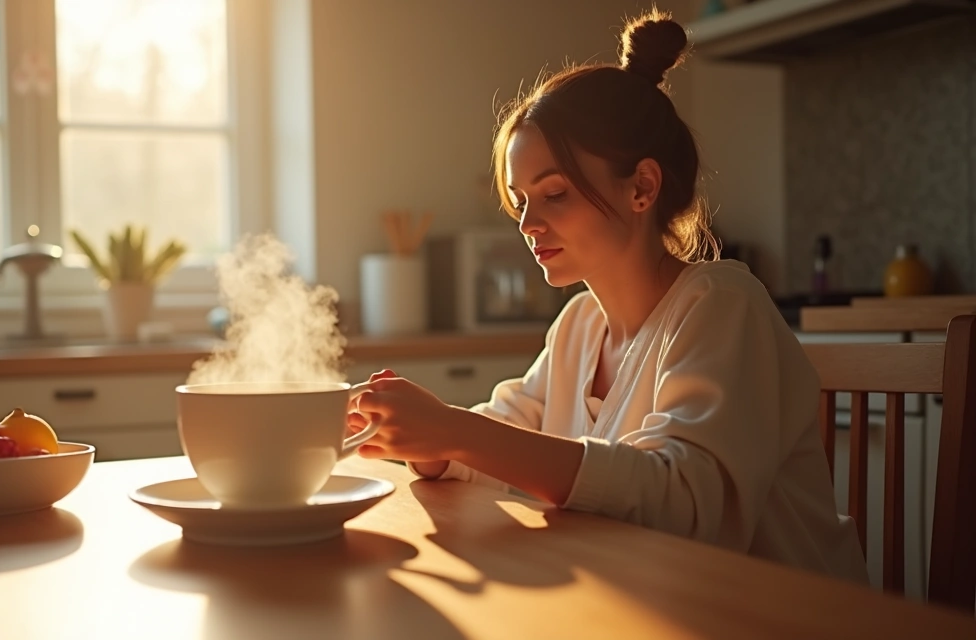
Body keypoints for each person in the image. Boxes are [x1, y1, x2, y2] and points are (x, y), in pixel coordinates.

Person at [347, 9, 868, 583]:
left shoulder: (722, 304)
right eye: (520, 200)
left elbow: (687, 507)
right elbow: (500, 443)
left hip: (781, 614)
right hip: (650, 598)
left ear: (642, 187)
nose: (527, 223)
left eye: (554, 194)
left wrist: (455, 430)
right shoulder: (579, 325)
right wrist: (428, 438)